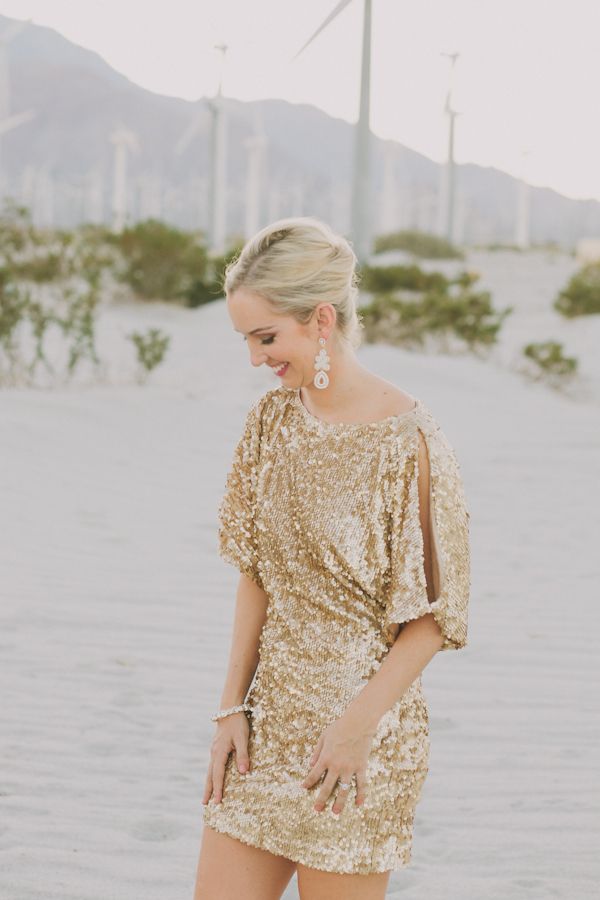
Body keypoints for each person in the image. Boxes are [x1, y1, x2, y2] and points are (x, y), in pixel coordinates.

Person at [193, 217, 471, 900]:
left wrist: (353, 730)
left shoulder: (409, 441)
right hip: (265, 732)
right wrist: (230, 710)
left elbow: (432, 619)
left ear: (321, 319)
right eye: (245, 340)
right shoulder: (271, 422)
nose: (255, 359)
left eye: (266, 338)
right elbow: (255, 573)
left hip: (359, 742)